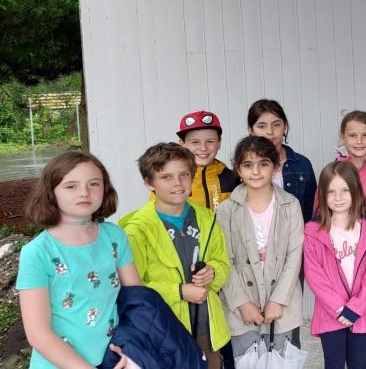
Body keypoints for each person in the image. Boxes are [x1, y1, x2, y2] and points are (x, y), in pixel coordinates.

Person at [17, 152, 141, 368]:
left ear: (105, 189)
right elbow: (38, 334)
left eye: (94, 184)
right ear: (51, 192)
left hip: (114, 358)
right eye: (71, 186)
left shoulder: (114, 236)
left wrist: (132, 348)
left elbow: (137, 300)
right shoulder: (37, 252)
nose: (85, 192)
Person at [121, 143, 231, 368]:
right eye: (166, 177)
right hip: (163, 333)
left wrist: (213, 272)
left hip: (206, 329)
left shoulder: (206, 218)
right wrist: (179, 291)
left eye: (184, 175)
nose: (177, 183)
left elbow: (223, 263)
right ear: (149, 182)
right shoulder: (137, 230)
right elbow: (132, 289)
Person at [218, 136, 304, 363]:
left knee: (282, 361)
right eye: (248, 165)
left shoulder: (290, 204)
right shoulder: (227, 209)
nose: (255, 171)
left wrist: (278, 299)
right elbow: (225, 260)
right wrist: (243, 304)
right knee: (248, 361)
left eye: (263, 164)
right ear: (238, 169)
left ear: (275, 167)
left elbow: (294, 255)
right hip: (243, 307)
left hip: (282, 306)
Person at [304, 161, 366, 369]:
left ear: (356, 190)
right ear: (322, 194)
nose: (338, 198)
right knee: (334, 363)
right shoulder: (313, 231)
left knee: (359, 363)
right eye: (331, 192)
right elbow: (315, 276)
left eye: (344, 190)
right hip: (331, 313)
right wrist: (340, 308)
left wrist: (355, 308)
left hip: (363, 310)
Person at [247, 99, 317, 221]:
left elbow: (311, 209)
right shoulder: (244, 167)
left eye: (276, 125)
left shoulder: (302, 164)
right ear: (251, 130)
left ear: (285, 126)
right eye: (261, 126)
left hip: (296, 236)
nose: (269, 132)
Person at [175, 110, 239, 212]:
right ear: (182, 144)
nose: (203, 148)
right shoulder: (173, 181)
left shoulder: (233, 179)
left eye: (209, 141)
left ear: (219, 143)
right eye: (195, 142)